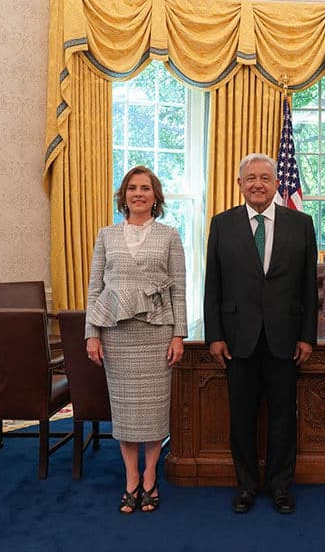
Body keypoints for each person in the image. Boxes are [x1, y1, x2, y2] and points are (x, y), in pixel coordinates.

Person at [204, 153, 317, 515]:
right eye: (250, 178)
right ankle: (247, 485)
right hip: (238, 340)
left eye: (265, 178)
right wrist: (214, 336)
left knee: (284, 416)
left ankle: (281, 486)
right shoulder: (222, 224)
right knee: (242, 416)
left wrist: (307, 336)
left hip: (285, 338)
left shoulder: (301, 224)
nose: (257, 184)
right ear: (240, 184)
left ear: (275, 183)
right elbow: (213, 286)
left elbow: (307, 288)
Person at [85, 165, 187, 514]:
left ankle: (150, 475)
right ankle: (131, 477)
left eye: (145, 188)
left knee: (155, 411)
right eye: (132, 188)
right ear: (124, 195)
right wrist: (91, 334)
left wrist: (178, 334)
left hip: (157, 332)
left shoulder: (170, 235)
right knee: (126, 411)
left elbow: (180, 289)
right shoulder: (106, 235)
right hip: (116, 333)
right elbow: (94, 287)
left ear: (155, 196)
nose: (138, 193)